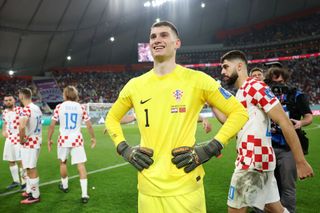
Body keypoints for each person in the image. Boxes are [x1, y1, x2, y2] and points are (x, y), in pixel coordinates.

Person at [105, 21, 249, 213]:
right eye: (153, 36)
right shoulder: (134, 85)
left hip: (186, 186)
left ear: (177, 43)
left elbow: (239, 112)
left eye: (164, 35)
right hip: (148, 189)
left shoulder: (197, 80)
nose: (157, 40)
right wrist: (123, 148)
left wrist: (211, 148)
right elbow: (111, 118)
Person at [212, 50, 313, 213]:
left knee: (235, 209)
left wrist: (300, 161)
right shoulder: (241, 92)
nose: (222, 71)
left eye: (225, 67)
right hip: (257, 160)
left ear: (239, 66)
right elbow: (228, 121)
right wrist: (211, 102)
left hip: (252, 161)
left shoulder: (255, 86)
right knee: (274, 208)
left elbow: (283, 121)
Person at [264, 66, 313, 213]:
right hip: (268, 147)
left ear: (285, 79)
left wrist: (300, 123)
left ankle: (289, 211)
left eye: (279, 80)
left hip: (288, 148)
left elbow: (309, 117)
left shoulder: (296, 95)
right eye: (273, 81)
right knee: (267, 185)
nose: (277, 85)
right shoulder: (265, 95)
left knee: (288, 186)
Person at [47, 86, 96, 204]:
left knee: (63, 163)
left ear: (65, 95)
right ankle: (84, 194)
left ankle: (64, 186)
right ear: (75, 95)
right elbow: (89, 125)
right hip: (77, 139)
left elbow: (52, 125)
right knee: (81, 165)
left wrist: (49, 139)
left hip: (63, 139)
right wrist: (93, 138)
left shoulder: (59, 107)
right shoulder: (81, 107)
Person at [18, 88, 42, 204]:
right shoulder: (36, 108)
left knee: (31, 168)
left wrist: (21, 139)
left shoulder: (26, 109)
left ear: (21, 97)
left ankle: (35, 195)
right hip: (37, 139)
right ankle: (29, 191)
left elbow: (22, 126)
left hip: (29, 142)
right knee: (28, 167)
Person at [2, 94, 26, 190]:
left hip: (18, 137)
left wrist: (22, 136)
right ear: (4, 102)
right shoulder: (4, 112)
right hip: (9, 139)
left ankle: (24, 183)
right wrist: (3, 131)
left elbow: (24, 123)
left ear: (14, 101)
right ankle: (16, 181)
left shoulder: (20, 110)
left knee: (20, 160)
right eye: (6, 100)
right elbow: (5, 123)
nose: (8, 102)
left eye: (10, 100)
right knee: (11, 160)